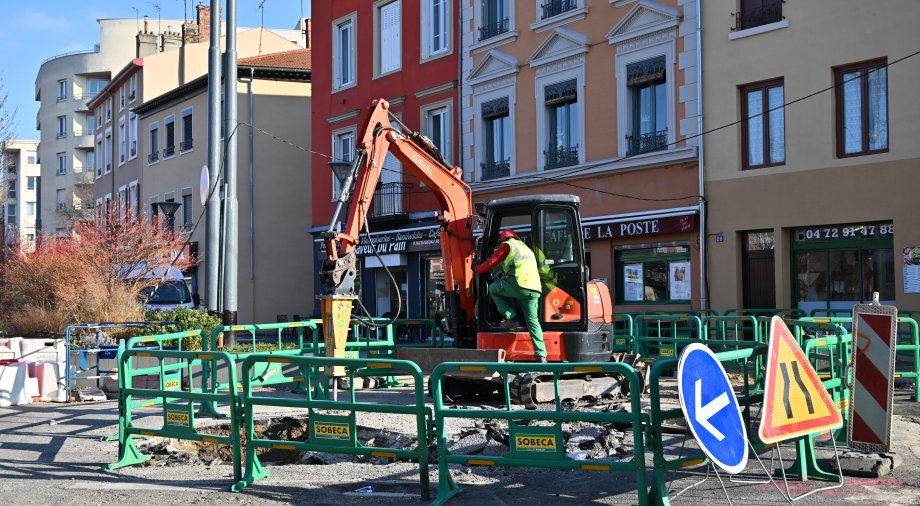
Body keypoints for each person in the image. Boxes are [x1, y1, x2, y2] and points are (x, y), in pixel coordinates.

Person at [473, 229, 546, 362]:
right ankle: (541, 354)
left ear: (503, 239)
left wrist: (476, 269)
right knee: (533, 322)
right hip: (534, 289)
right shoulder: (525, 248)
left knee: (494, 289)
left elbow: (491, 263)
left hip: (519, 285)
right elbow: (518, 267)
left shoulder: (507, 245)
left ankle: (511, 317)